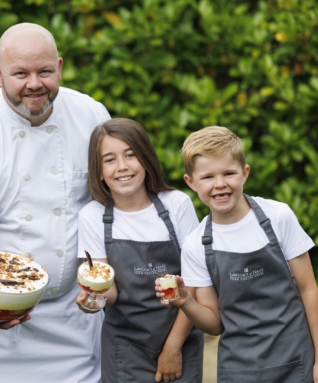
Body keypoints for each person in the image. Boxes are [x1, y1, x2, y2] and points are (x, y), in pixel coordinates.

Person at [0, 23, 111, 382]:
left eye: (45, 71)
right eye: (21, 73)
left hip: (73, 313)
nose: (35, 83)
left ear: (60, 67)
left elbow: (109, 207)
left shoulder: (93, 117)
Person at [156, 126, 318, 382]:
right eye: (207, 177)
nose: (220, 184)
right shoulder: (196, 245)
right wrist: (186, 301)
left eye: (229, 173)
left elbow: (309, 289)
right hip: (240, 370)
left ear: (244, 173)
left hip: (297, 362)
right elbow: (214, 324)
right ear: (191, 182)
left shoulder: (278, 217)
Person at [75, 118, 204, 382]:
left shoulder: (176, 205)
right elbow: (107, 290)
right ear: (98, 171)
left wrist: (172, 348)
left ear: (145, 159)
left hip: (180, 338)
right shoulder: (93, 216)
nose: (122, 167)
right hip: (125, 347)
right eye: (109, 160)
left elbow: (195, 283)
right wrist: (93, 300)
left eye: (131, 155)